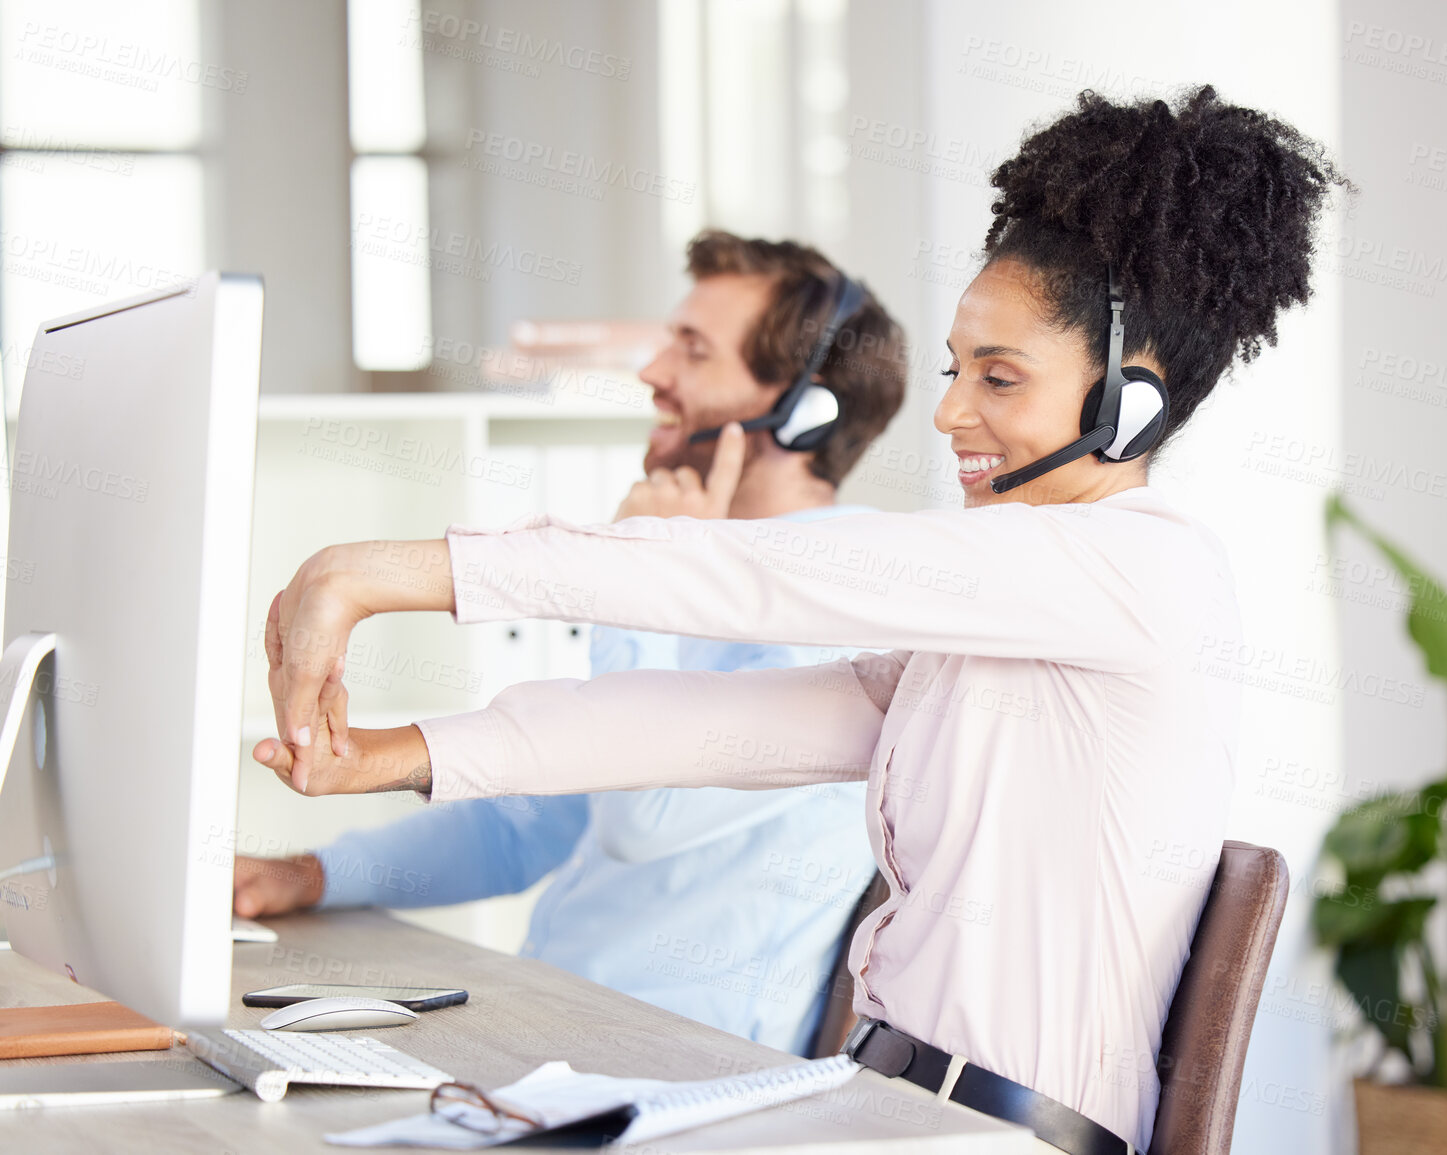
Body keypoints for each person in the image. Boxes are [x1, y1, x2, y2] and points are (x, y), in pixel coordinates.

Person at [253, 87, 1344, 1154]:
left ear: (1131, 402)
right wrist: (398, 755)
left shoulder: (1140, 565)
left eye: (1000, 379)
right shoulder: (996, 628)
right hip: (887, 1104)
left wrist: (377, 571)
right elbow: (712, 727)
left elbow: (764, 577)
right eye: (961, 370)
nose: (954, 411)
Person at [233, 231, 907, 1056]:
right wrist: (311, 876)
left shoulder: (841, 592)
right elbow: (531, 825)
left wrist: (640, 572)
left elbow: (642, 819)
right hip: (557, 1028)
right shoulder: (718, 561)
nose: (654, 373)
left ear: (803, 410)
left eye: (692, 351)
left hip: (683, 1075)